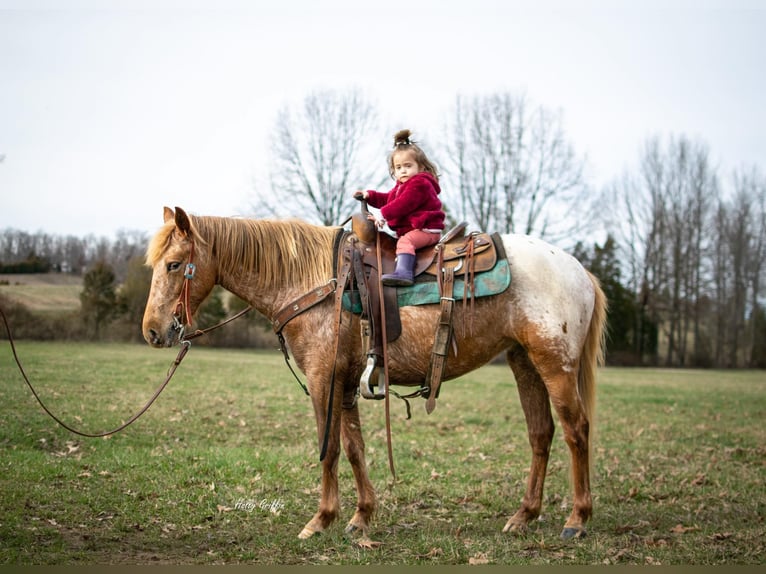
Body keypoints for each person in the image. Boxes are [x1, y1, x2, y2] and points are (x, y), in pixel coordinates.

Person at [354, 129, 445, 286]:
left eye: (408, 166)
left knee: (405, 242)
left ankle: (404, 273)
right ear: (394, 170)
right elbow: (388, 199)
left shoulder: (419, 183)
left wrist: (382, 215)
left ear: (421, 167)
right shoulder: (401, 186)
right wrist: (369, 195)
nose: (403, 170)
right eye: (398, 167)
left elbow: (403, 204)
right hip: (418, 228)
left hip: (426, 229)